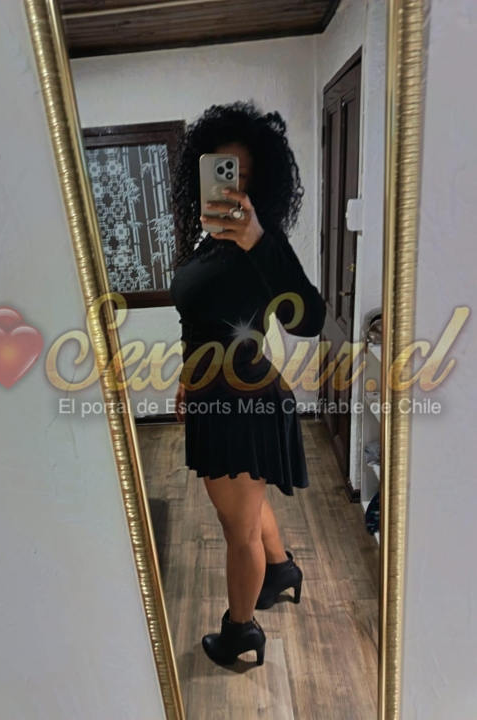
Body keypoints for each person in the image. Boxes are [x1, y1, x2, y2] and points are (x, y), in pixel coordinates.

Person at [169, 101, 326, 666]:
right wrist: (187, 380)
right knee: (245, 504)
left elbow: (309, 319)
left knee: (237, 530)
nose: (229, 190)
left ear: (259, 188)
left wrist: (258, 238)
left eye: (242, 178)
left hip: (241, 404)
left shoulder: (262, 248)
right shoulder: (209, 244)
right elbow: (200, 323)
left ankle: (240, 633)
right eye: (220, 173)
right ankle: (278, 569)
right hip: (214, 393)